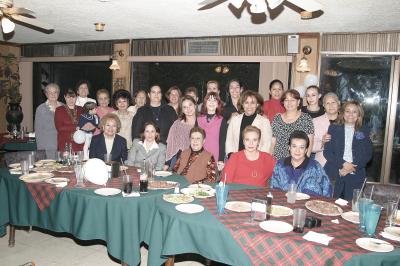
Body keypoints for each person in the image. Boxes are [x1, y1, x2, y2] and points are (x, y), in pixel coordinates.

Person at [324, 101, 373, 200]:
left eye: (354, 112)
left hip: (355, 174)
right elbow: (327, 152)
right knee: (330, 206)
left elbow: (368, 154)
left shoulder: (364, 130)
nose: (351, 114)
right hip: (335, 172)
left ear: (359, 115)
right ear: (343, 113)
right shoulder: (333, 128)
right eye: (348, 111)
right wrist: (343, 164)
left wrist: (351, 168)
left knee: (351, 209)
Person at [271, 130, 332, 197]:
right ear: (289, 147)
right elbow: (274, 190)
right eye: (294, 146)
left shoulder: (315, 167)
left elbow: (327, 189)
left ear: (306, 150)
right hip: (284, 204)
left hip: (310, 205)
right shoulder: (280, 165)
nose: (297, 151)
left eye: (301, 147)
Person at [271, 89, 314, 160]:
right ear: (283, 103)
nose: (289, 103)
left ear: (298, 102)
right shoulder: (277, 118)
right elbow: (272, 142)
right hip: (278, 161)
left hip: (298, 161)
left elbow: (310, 143)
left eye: (292, 100)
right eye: (286, 100)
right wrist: (269, 159)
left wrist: (305, 163)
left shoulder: (306, 118)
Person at [226, 90, 272, 155]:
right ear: (242, 104)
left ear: (257, 105)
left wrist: (260, 159)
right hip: (237, 158)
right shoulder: (234, 120)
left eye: (252, 103)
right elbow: (229, 140)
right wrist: (231, 155)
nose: (249, 106)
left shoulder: (264, 121)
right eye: (246, 102)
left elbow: (266, 144)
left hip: (256, 160)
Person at [166, 95, 197, 168]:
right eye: (185, 107)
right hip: (180, 161)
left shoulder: (203, 122)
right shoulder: (177, 124)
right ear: (182, 110)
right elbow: (171, 144)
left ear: (195, 105)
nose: (188, 109)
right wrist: (167, 163)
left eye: (190, 105)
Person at [34, 83, 63, 159]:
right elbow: (38, 131)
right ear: (46, 94)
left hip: (63, 146)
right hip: (48, 147)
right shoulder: (41, 109)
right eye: (50, 92)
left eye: (55, 92)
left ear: (58, 93)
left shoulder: (64, 107)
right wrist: (41, 150)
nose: (53, 94)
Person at [197, 92, 228, 162]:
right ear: (205, 103)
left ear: (218, 104)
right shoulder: (198, 119)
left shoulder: (222, 120)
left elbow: (222, 142)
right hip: (200, 155)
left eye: (214, 100)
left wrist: (220, 160)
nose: (211, 102)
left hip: (215, 156)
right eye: (209, 100)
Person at [312, 92, 340, 166]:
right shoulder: (315, 121)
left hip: (343, 165)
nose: (331, 105)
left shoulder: (347, 120)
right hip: (323, 163)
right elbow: (311, 146)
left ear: (338, 103)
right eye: (327, 103)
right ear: (324, 106)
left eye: (333, 102)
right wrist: (322, 142)